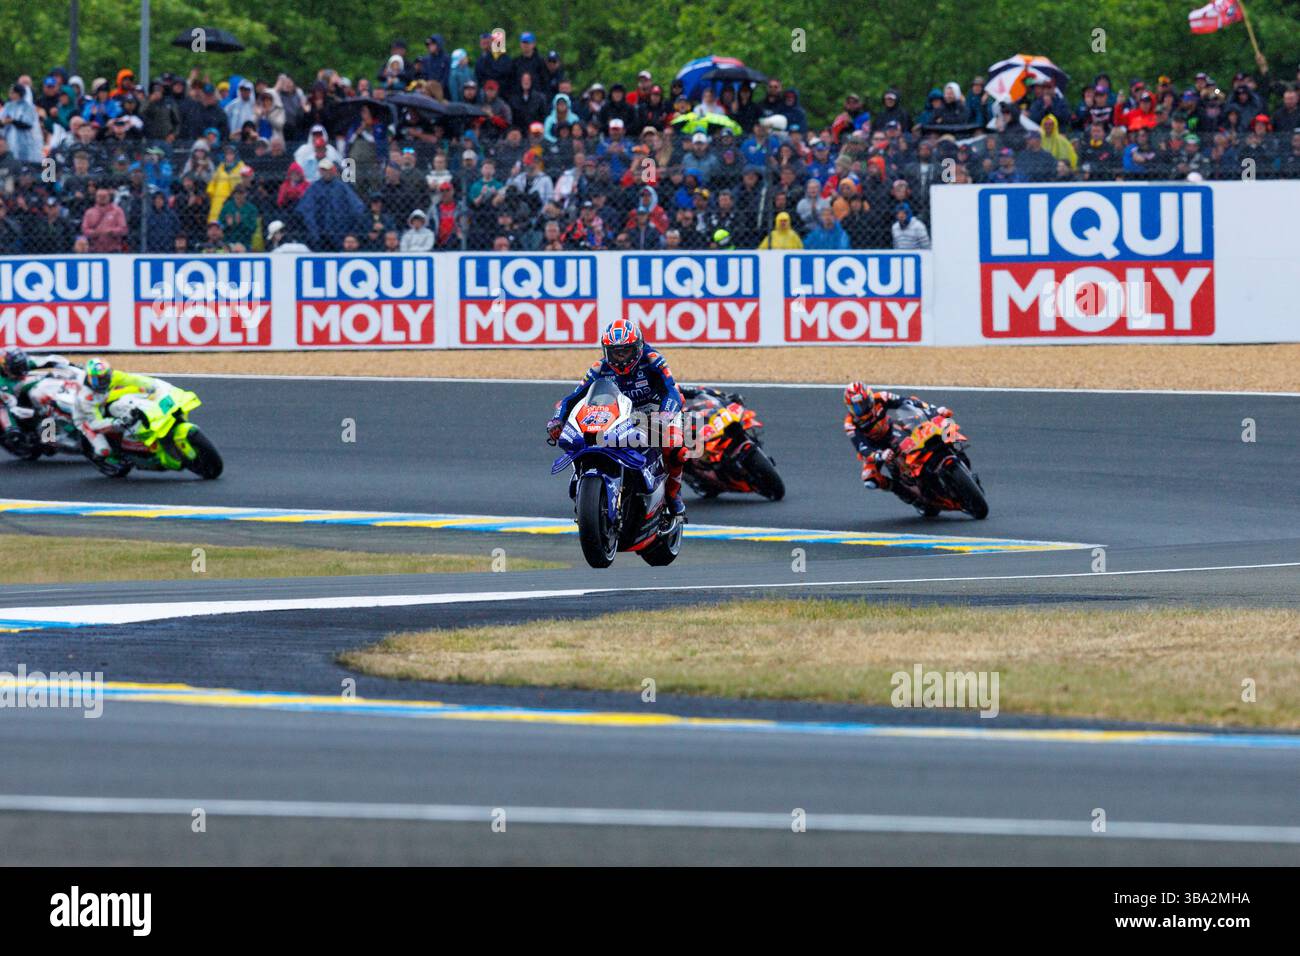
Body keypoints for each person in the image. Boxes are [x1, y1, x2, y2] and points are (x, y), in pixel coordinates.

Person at [546, 319, 687, 518]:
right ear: (606, 351)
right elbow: (573, 398)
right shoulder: (599, 368)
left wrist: (664, 416)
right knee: (590, 440)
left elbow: (671, 391)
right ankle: (588, 484)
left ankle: (673, 494)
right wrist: (557, 419)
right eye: (615, 352)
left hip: (659, 410)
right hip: (623, 414)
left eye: (625, 351)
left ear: (637, 348)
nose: (620, 357)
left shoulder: (653, 359)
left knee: (676, 449)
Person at [843, 382, 952, 510]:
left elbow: (907, 402)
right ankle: (903, 492)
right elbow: (861, 447)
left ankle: (935, 459)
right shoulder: (850, 424)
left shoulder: (882, 397)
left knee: (915, 443)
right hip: (874, 448)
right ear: (849, 407)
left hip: (890, 432)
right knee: (870, 479)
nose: (861, 409)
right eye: (856, 407)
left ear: (870, 397)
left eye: (863, 403)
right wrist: (878, 455)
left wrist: (934, 410)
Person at [71, 358, 175, 460]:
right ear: (90, 378)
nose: (103, 381)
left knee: (136, 396)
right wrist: (114, 422)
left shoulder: (112, 376)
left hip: (104, 404)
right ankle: (97, 455)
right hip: (87, 420)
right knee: (104, 451)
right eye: (98, 379)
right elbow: (95, 421)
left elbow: (132, 379)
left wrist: (152, 384)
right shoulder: (86, 396)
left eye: (105, 377)